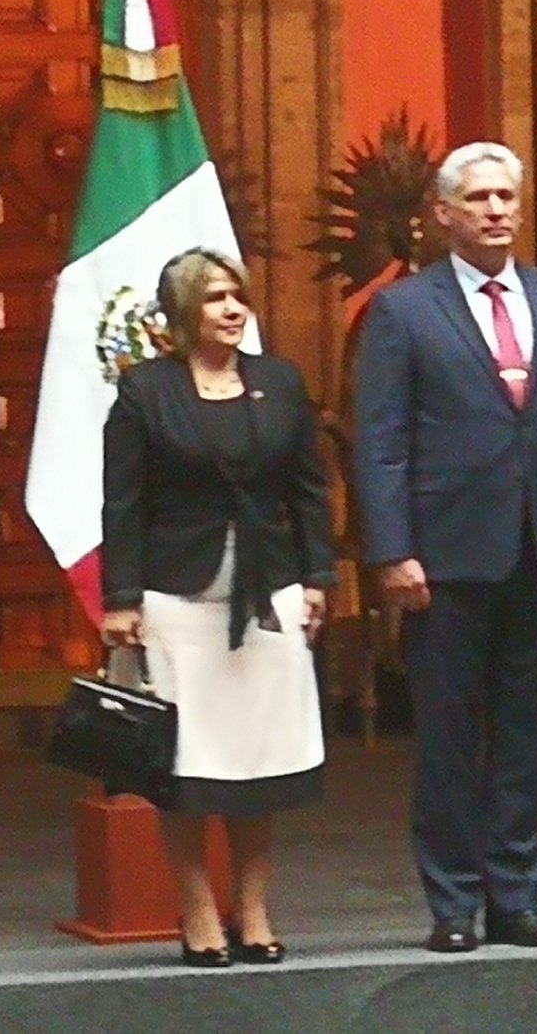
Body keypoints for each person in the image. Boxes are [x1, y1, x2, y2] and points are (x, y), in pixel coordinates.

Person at [351, 141, 537, 954]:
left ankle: (517, 895)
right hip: (444, 556)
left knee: (524, 733)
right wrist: (392, 549)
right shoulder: (404, 310)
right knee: (447, 735)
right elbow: (382, 441)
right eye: (478, 199)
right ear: (443, 213)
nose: (497, 211)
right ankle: (453, 903)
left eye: (507, 196)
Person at [99, 248, 336, 967]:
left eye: (238, 296)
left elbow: (309, 492)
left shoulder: (280, 383)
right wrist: (120, 599)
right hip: (179, 597)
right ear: (181, 315)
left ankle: (254, 907)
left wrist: (320, 577)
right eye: (214, 299)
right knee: (191, 764)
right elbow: (124, 502)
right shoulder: (146, 391)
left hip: (271, 594)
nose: (233, 310)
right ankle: (198, 907)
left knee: (259, 757)